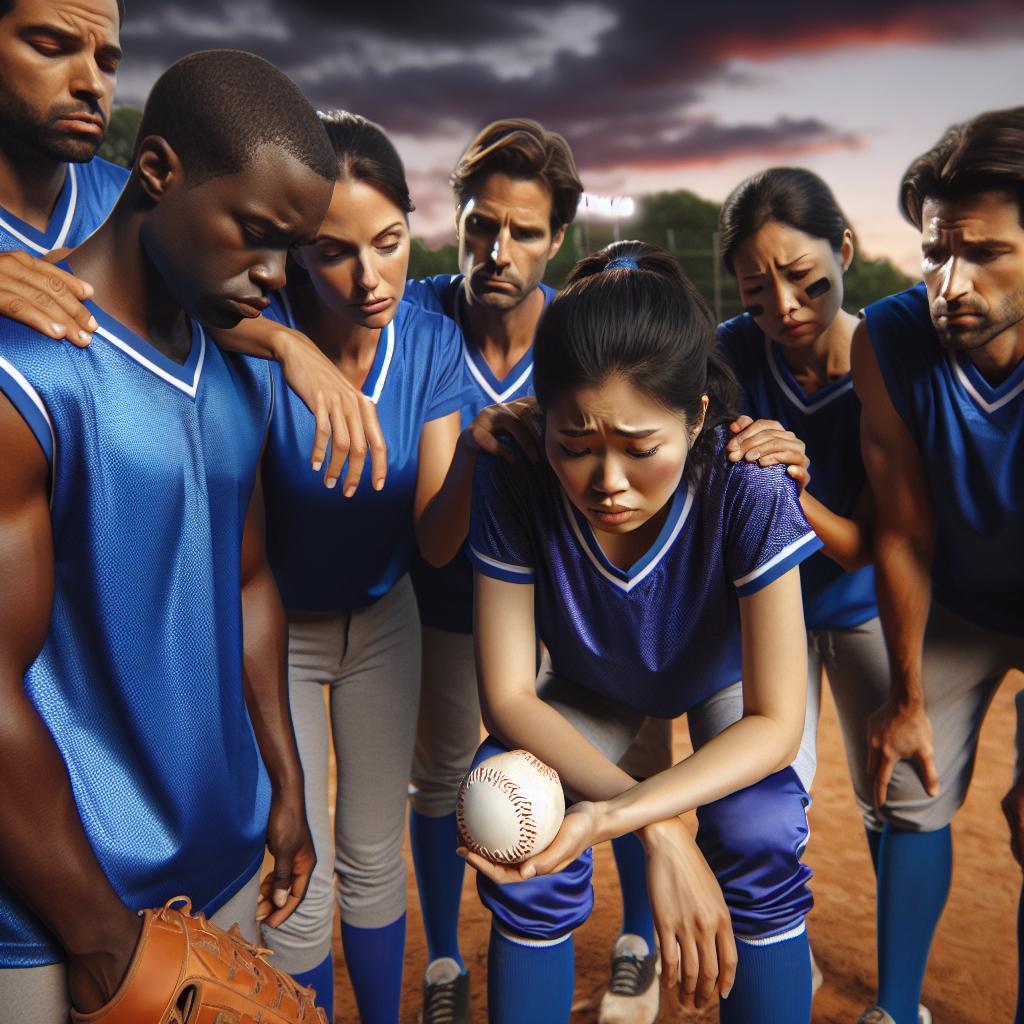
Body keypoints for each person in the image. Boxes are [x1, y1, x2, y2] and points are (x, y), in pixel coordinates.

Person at [0, 47, 338, 1022]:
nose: (273, 278)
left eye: (291, 250)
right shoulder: (29, 369)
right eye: (254, 235)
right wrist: (99, 932)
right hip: (62, 907)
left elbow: (248, 583)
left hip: (219, 858)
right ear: (156, 174)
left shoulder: (236, 366)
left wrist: (284, 779)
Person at [462, 240, 823, 1024]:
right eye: (576, 446)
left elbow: (777, 721)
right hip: (596, 685)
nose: (609, 482)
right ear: (539, 413)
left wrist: (622, 815)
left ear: (696, 418)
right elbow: (508, 697)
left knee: (758, 828)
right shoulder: (514, 466)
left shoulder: (748, 480)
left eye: (639, 447)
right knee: (512, 815)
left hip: (725, 684)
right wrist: (661, 830)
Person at [248, 111, 538, 1024]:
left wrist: (475, 459)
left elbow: (438, 541)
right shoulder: (258, 337)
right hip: (276, 631)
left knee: (373, 854)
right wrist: (284, 345)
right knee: (304, 863)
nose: (369, 277)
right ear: (297, 252)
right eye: (334, 252)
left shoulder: (428, 340)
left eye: (389, 242)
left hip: (384, 619)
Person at [404, 119, 667, 1024]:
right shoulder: (419, 318)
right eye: (481, 224)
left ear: (558, 240)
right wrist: (477, 453)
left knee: (621, 755)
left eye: (522, 232)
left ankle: (639, 936)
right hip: (448, 605)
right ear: (459, 221)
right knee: (444, 780)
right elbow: (434, 541)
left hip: (566, 607)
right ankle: (443, 960)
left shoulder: (581, 332)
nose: (496, 249)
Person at [0, 0, 385, 496]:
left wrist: (285, 341)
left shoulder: (139, 200)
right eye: (51, 47)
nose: (92, 83)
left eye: (108, 62)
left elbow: (183, 297)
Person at [851, 106, 1024, 1024]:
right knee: (909, 787)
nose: (948, 283)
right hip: (957, 594)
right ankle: (896, 1010)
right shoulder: (887, 337)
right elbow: (904, 527)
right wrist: (907, 696)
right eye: (933, 253)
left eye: (985, 253)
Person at [715, 167, 894, 1005]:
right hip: (766, 615)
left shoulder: (886, 359)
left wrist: (792, 487)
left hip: (862, 606)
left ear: (846, 249)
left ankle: (897, 989)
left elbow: (866, 546)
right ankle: (785, 950)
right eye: (758, 292)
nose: (784, 306)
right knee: (773, 799)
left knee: (893, 798)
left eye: (805, 277)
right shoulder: (731, 350)